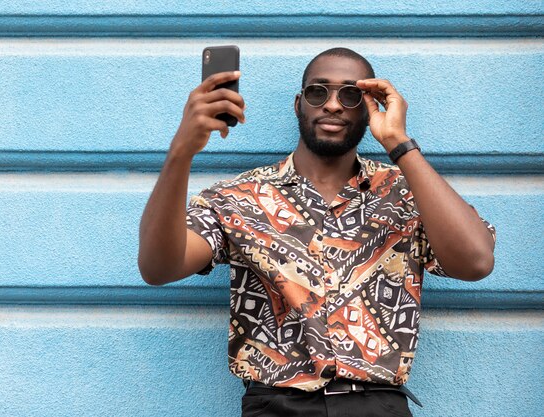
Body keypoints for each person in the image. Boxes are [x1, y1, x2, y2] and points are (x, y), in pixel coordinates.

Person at [138, 47, 496, 417]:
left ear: (371, 105)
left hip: (376, 405)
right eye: (318, 92)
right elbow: (159, 267)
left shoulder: (407, 193)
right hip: (276, 405)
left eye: (351, 94)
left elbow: (476, 262)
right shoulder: (239, 198)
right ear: (299, 104)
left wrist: (398, 144)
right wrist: (182, 150)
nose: (333, 105)